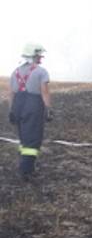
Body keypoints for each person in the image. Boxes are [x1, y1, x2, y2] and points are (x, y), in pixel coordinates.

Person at [8, 43, 52, 179]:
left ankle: (26, 165)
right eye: (39, 56)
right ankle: (26, 170)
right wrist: (48, 109)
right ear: (33, 56)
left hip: (18, 105)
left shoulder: (15, 72)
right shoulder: (41, 72)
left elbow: (11, 93)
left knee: (23, 138)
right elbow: (44, 92)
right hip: (33, 105)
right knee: (32, 140)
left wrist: (11, 110)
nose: (40, 59)